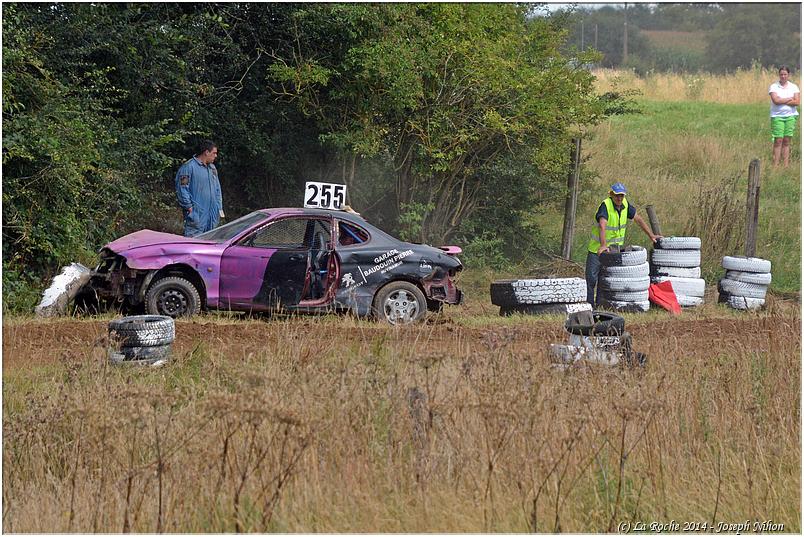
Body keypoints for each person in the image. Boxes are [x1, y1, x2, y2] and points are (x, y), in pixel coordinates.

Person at [585, 182, 661, 307]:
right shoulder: (606, 205)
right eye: (617, 195)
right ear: (611, 194)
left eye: (621, 196)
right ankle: (588, 306)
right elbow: (602, 225)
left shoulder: (625, 205)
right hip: (596, 250)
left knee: (605, 280)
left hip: (614, 251)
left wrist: (651, 235)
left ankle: (600, 306)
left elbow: (638, 219)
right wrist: (603, 245)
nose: (619, 198)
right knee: (591, 280)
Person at [175, 140, 224, 237]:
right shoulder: (188, 167)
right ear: (206, 152)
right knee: (193, 246)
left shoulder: (212, 168)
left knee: (209, 247)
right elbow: (182, 189)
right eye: (214, 153)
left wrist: (219, 207)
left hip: (212, 216)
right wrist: (189, 207)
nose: (216, 156)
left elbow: (217, 189)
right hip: (197, 216)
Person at [769, 66, 800, 167]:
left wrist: (782, 99)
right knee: (778, 140)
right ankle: (775, 165)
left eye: (785, 74)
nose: (783, 76)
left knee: (786, 140)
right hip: (777, 116)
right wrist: (789, 99)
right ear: (779, 75)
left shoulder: (794, 87)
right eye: (781, 74)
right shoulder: (774, 87)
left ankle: (786, 165)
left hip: (790, 116)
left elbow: (797, 102)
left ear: (788, 75)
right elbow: (776, 101)